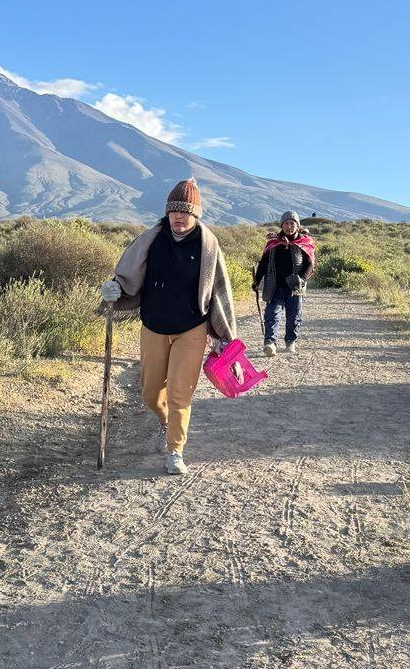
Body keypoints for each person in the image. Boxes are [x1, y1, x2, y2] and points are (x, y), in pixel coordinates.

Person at [100, 179, 237, 475]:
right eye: (174, 211)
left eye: (185, 212)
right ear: (167, 212)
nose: (178, 217)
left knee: (180, 393)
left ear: (196, 214)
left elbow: (220, 293)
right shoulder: (151, 239)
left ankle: (175, 450)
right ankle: (165, 420)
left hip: (192, 327)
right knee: (150, 394)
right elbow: (126, 275)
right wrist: (114, 288)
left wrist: (227, 340)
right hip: (153, 325)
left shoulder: (208, 245)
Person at [251, 209, 316, 356]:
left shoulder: (305, 243)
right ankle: (270, 343)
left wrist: (302, 279)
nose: (289, 226)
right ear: (282, 225)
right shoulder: (273, 243)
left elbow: (310, 264)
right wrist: (257, 280)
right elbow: (263, 263)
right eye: (286, 223)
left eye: (292, 223)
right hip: (275, 287)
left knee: (294, 316)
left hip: (296, 288)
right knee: (272, 314)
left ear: (297, 226)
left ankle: (290, 342)